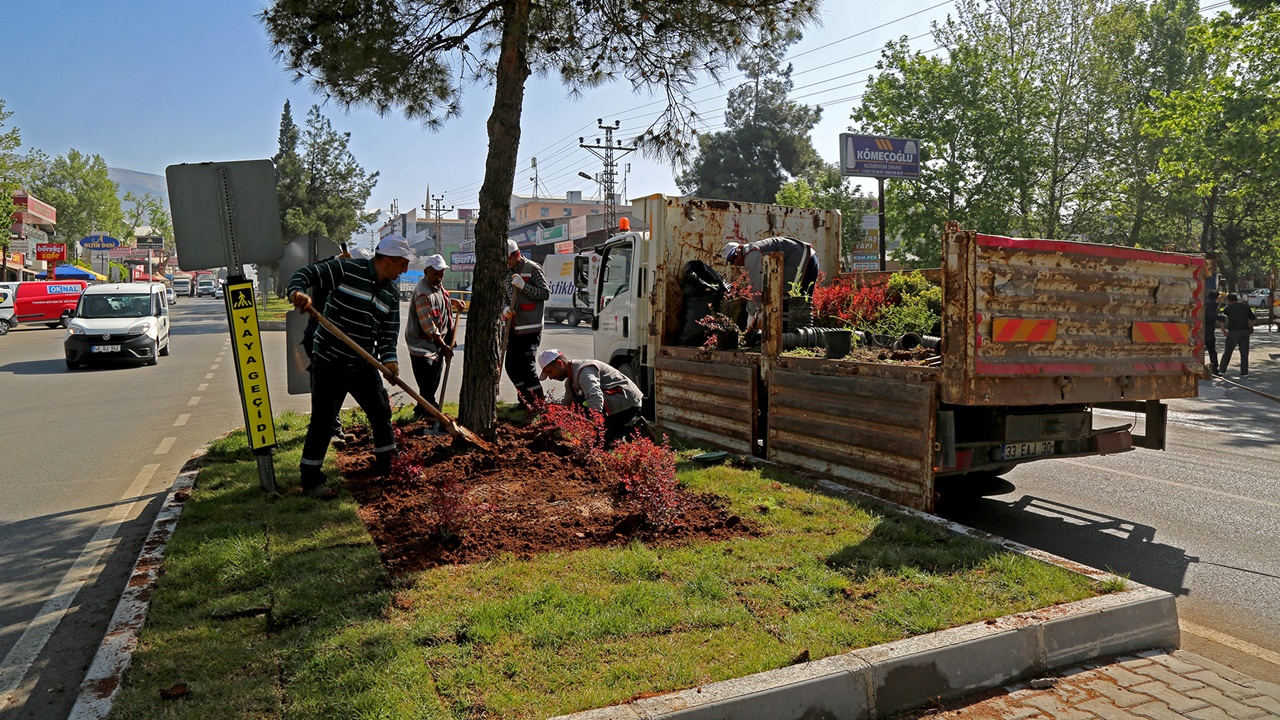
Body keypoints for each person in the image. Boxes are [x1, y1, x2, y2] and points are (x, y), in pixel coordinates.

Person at [287, 234, 414, 499]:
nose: (404, 270)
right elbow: (306, 274)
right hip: (330, 360)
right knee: (323, 420)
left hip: (362, 362)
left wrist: (389, 360)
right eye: (403, 264)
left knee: (380, 412)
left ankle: (388, 466)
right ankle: (311, 481)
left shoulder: (391, 293)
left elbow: (388, 333)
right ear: (388, 261)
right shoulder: (346, 269)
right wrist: (297, 292)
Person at [406, 253, 465, 433]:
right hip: (422, 346)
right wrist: (444, 346)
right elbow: (429, 327)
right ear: (426, 272)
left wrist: (453, 302)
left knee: (432, 383)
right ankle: (433, 417)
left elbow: (441, 300)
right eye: (436, 274)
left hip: (436, 345)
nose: (439, 277)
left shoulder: (437, 286)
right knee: (428, 384)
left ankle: (421, 410)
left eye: (441, 274)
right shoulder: (423, 293)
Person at [537, 349, 645, 445]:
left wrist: (592, 428)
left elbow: (595, 397)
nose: (550, 377)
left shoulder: (584, 371)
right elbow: (566, 406)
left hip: (628, 403)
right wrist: (552, 421)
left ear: (559, 363)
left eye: (550, 372)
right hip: (615, 403)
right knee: (602, 439)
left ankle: (637, 427)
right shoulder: (570, 381)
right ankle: (626, 430)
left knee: (581, 404)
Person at [721, 236, 820, 329]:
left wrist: (751, 315)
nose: (736, 262)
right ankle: (798, 333)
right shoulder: (752, 251)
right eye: (731, 261)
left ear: (740, 248)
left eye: (735, 256)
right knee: (798, 299)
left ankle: (797, 333)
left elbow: (756, 288)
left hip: (803, 257)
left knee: (794, 298)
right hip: (806, 256)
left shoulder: (750, 255)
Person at [504, 238, 551, 410]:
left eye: (508, 258)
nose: (506, 262)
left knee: (526, 366)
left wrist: (524, 286)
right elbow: (504, 296)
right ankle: (525, 401)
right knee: (511, 366)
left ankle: (539, 404)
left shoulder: (532, 268)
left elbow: (545, 294)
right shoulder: (506, 272)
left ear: (517, 254)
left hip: (531, 328)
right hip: (513, 327)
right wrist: (505, 308)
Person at [1218, 292, 1257, 377]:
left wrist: (1223, 330)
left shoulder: (1228, 308)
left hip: (1233, 332)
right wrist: (1251, 327)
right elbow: (1253, 319)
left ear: (1228, 300)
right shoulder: (1245, 307)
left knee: (1228, 352)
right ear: (1236, 299)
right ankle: (1244, 372)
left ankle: (1222, 370)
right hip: (1245, 332)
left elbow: (1222, 320)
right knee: (1244, 353)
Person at [1204, 290, 1221, 375]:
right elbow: (1211, 315)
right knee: (1212, 351)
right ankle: (1214, 369)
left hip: (1199, 329)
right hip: (1208, 331)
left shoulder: (1204, 301)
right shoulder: (1212, 304)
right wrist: (1222, 318)